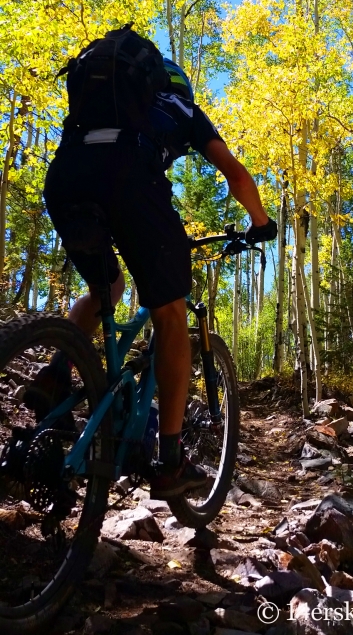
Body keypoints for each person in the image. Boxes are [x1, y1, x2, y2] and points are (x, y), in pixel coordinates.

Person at [25, 34, 277, 499]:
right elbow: (236, 174)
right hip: (128, 179)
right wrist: (261, 223)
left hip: (65, 176)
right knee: (170, 312)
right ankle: (170, 461)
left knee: (107, 288)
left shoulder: (105, 100)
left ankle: (55, 372)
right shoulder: (183, 109)